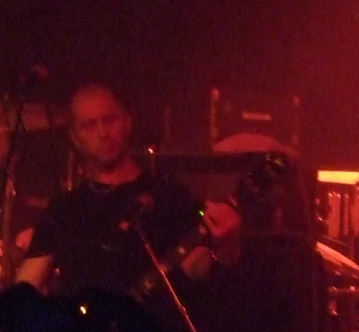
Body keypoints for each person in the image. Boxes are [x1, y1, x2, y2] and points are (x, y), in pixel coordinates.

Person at [16, 83, 225, 298]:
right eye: (89, 125)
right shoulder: (63, 210)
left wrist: (226, 247)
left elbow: (199, 270)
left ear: (127, 121)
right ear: (75, 138)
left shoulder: (167, 195)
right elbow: (25, 289)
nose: (103, 133)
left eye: (109, 120)